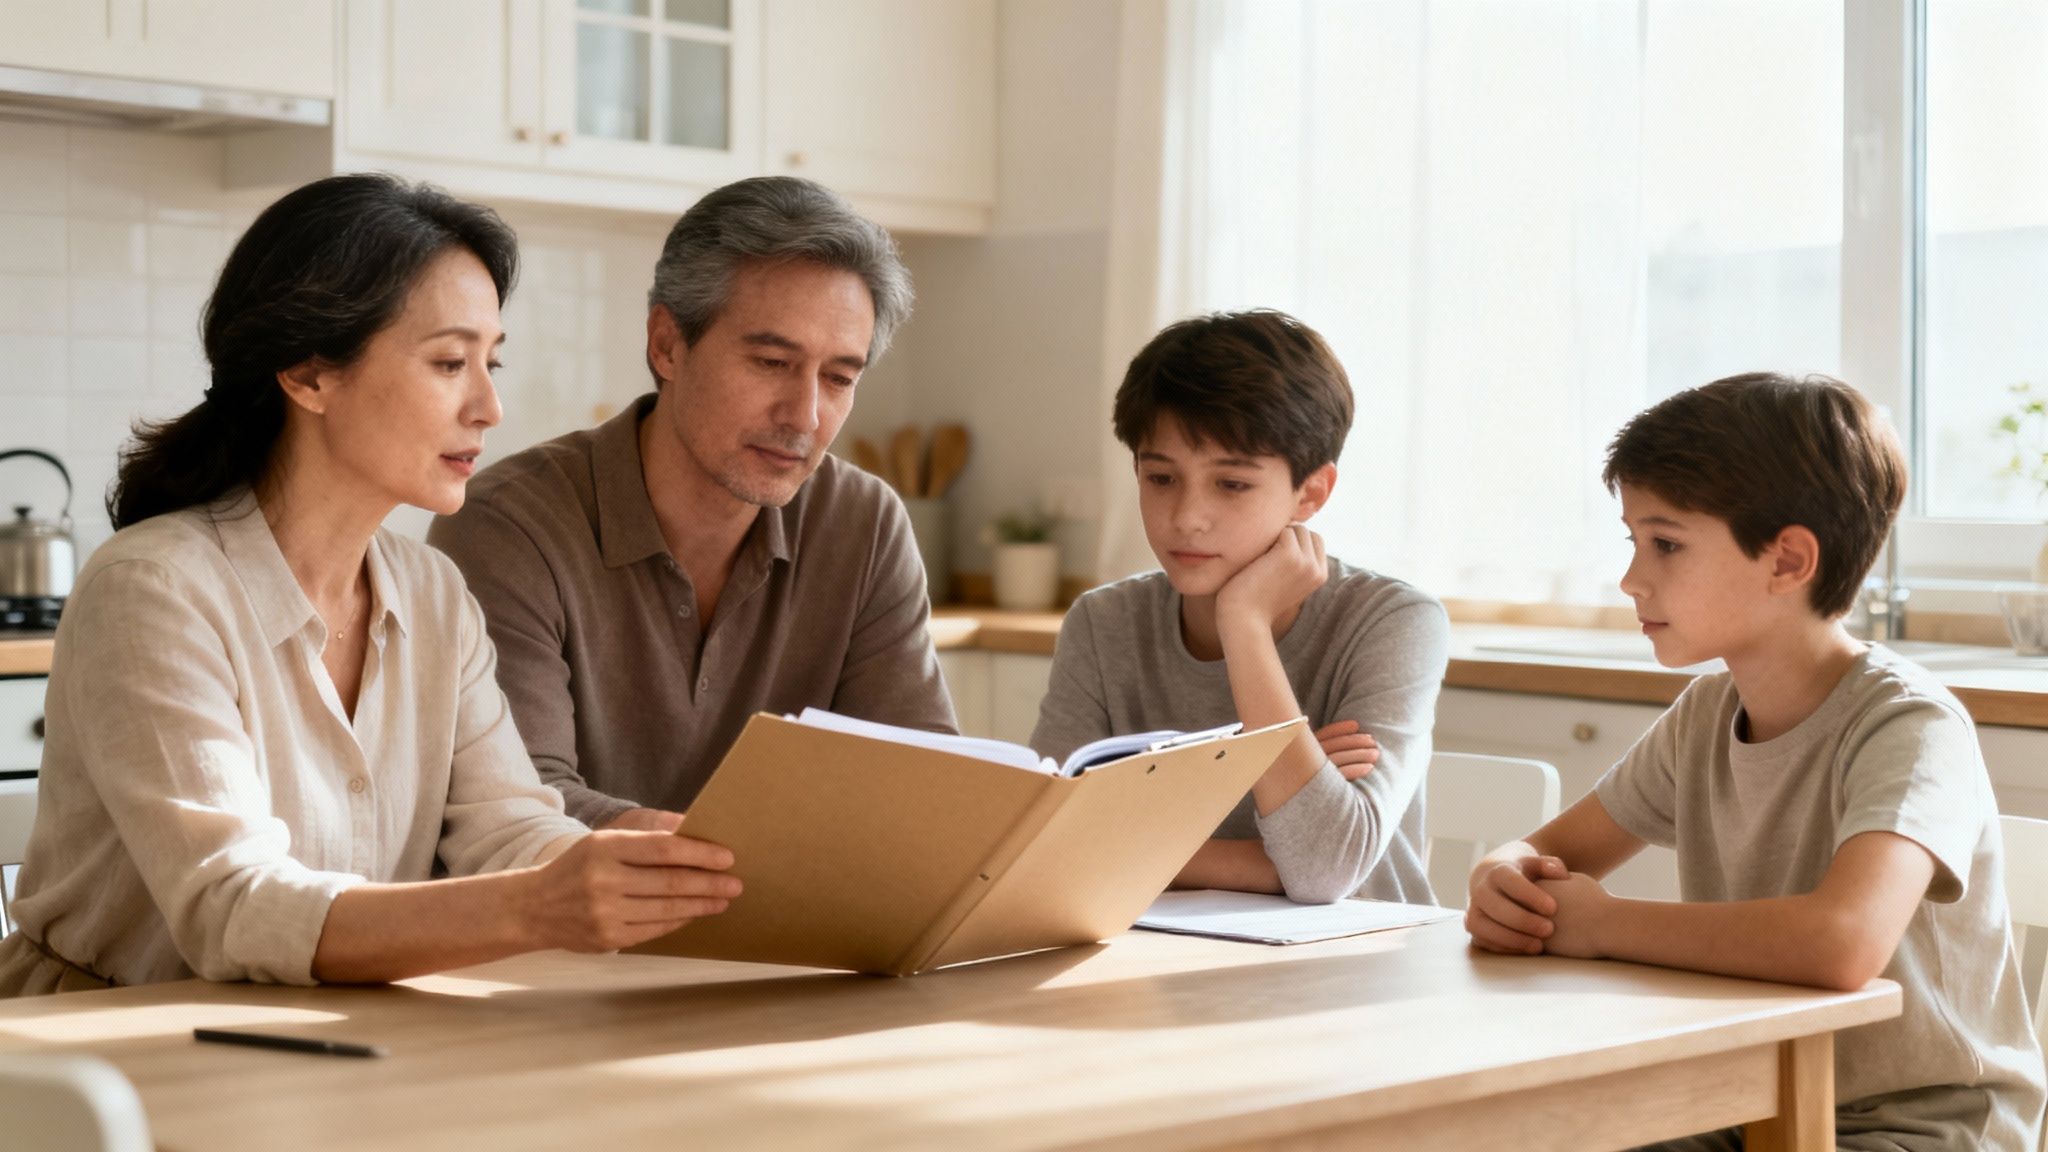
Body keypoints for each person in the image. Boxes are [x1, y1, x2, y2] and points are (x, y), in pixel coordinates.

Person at [0, 174, 739, 996]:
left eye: (491, 362)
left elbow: (505, 830)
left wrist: (640, 865)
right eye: (451, 362)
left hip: (322, 1037)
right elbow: (234, 910)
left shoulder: (433, 594)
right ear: (310, 375)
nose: (490, 405)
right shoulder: (154, 591)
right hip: (99, 1058)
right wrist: (536, 907)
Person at [1464, 372, 2045, 1149]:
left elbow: (1841, 945)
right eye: (1633, 541)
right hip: (1752, 1099)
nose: (1632, 579)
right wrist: (1501, 872)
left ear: (1787, 561)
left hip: (1921, 1124)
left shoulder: (1910, 725)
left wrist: (1604, 925)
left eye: (1666, 543)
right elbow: (1548, 853)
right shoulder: (1705, 714)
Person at [428, 176, 953, 831]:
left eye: (839, 378)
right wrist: (763, 862)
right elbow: (523, 808)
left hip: (798, 925)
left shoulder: (864, 523)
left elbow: (920, 784)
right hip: (572, 932)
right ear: (667, 344)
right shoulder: (509, 525)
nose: (806, 415)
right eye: (770, 363)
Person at [1029, 310, 1448, 904]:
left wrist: (1244, 623)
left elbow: (1325, 869)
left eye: (1231, 484)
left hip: (1354, 974)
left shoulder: (1394, 621)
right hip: (1163, 959)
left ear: (1311, 492)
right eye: (1161, 478)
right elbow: (1044, 843)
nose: (1186, 517)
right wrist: (1274, 854)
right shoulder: (1104, 623)